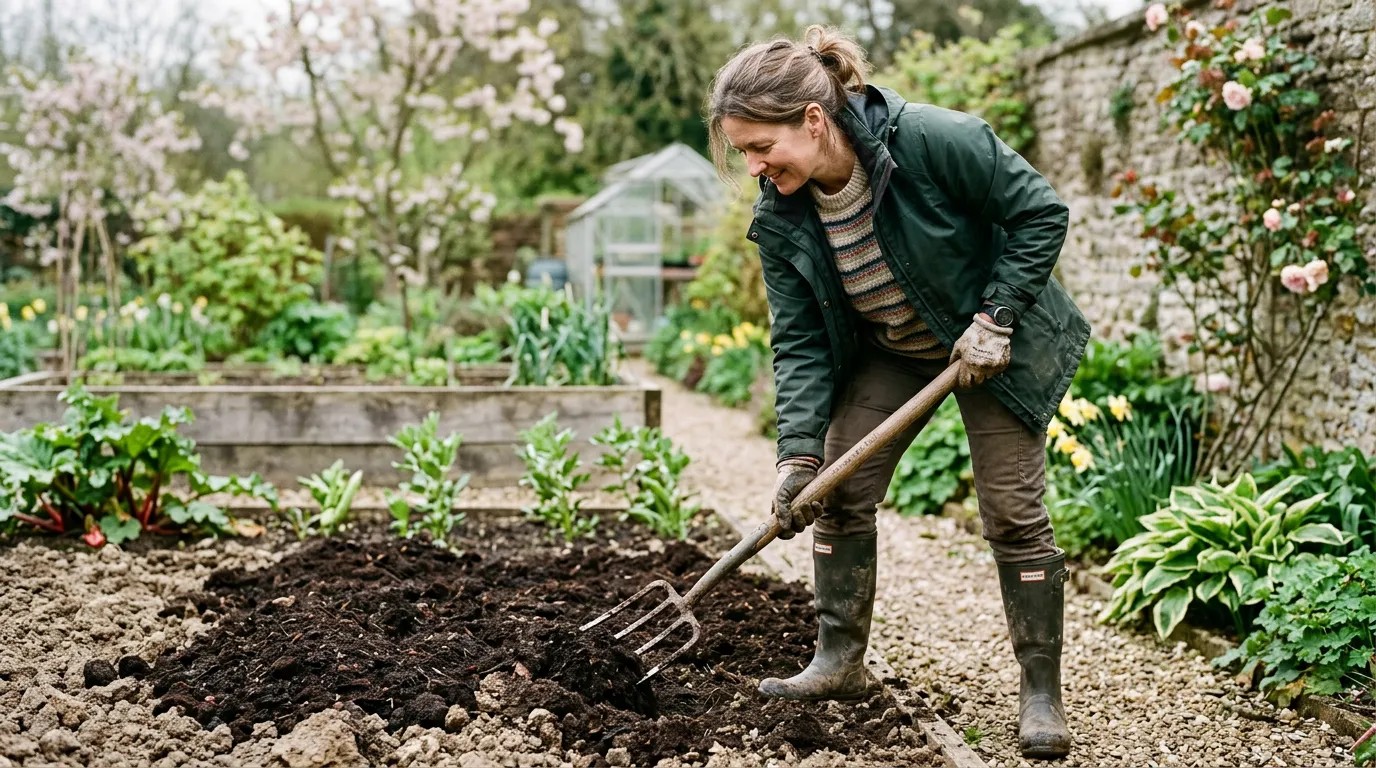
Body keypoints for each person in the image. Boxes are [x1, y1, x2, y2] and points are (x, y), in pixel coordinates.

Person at [705, 25, 1090, 760]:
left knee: (1011, 512)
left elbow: (1040, 212)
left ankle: (1041, 690)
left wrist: (997, 314)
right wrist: (795, 462)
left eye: (761, 147)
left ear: (812, 120)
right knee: (835, 489)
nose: (754, 166)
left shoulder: (934, 140)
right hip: (893, 350)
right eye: (743, 151)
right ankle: (840, 661)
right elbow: (800, 345)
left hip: (987, 341)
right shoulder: (780, 214)